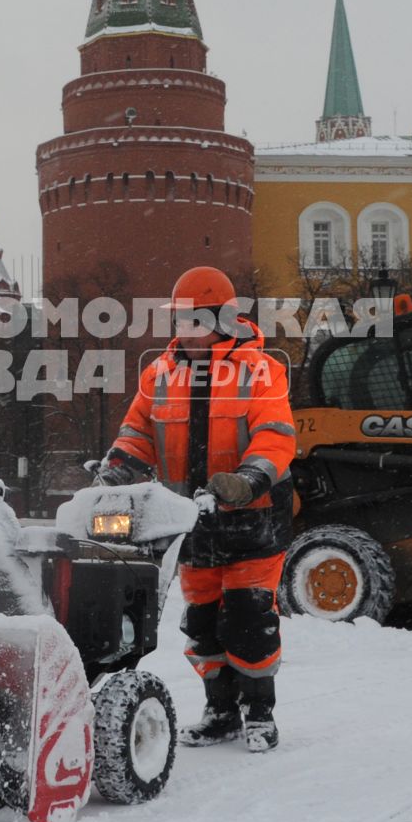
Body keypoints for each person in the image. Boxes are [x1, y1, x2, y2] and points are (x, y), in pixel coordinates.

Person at [94, 266, 298, 752]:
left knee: (249, 618)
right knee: (202, 623)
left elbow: (275, 437)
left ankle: (259, 711)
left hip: (255, 517)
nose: (184, 331)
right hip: (190, 522)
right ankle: (220, 710)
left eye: (194, 320)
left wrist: (248, 480)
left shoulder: (262, 371)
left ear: (223, 321)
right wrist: (116, 470)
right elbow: (138, 434)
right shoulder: (159, 374)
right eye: (180, 320)